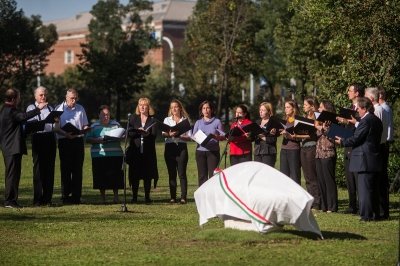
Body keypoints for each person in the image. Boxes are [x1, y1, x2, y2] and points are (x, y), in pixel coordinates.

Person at [336, 97, 382, 221]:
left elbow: (356, 138)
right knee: (373, 189)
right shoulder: (376, 120)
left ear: (364, 108)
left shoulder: (365, 121)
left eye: (359, 109)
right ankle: (375, 214)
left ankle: (366, 215)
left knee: (364, 190)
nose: (357, 112)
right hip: (374, 157)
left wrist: (342, 141)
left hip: (364, 159)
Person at [0, 88, 47, 208]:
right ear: (14, 98)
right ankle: (9, 201)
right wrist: (38, 109)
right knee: (12, 174)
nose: (20, 99)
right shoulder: (10, 110)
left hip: (10, 146)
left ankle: (12, 200)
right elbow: (23, 117)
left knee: (14, 174)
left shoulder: (5, 109)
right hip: (12, 147)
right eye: (19, 97)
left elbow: (19, 125)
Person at [55, 88, 89, 204]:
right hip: (64, 141)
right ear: (66, 98)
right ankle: (65, 195)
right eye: (71, 98)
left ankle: (76, 196)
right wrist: (65, 134)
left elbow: (85, 124)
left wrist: (84, 130)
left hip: (78, 141)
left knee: (77, 170)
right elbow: (56, 128)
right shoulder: (59, 109)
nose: (74, 101)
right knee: (65, 169)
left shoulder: (81, 109)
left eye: (75, 98)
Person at [86, 105, 124, 204]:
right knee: (101, 177)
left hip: (116, 154)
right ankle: (103, 198)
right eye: (103, 115)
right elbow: (88, 139)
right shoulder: (94, 126)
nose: (106, 117)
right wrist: (98, 140)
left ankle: (116, 197)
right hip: (99, 155)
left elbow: (123, 135)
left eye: (107, 115)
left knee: (116, 176)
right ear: (99, 115)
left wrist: (120, 136)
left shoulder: (116, 124)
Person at [26, 86, 57, 206]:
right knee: (38, 169)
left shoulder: (50, 107)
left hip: (50, 138)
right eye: (41, 95)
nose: (43, 97)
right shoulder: (31, 107)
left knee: (50, 169)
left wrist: (56, 121)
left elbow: (54, 125)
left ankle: (47, 199)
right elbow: (31, 124)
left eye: (44, 95)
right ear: (35, 96)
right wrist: (39, 110)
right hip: (38, 138)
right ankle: (37, 199)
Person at [126, 97, 158, 204]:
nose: (142, 107)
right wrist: (138, 132)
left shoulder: (152, 120)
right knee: (135, 175)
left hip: (148, 152)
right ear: (138, 107)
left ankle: (147, 197)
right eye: (140, 105)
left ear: (148, 107)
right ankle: (134, 197)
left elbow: (154, 135)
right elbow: (129, 133)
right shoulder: (133, 118)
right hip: (135, 150)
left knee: (147, 175)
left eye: (144, 105)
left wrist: (147, 134)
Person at [338, 83, 364, 214]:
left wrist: (347, 122)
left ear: (357, 93)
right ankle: (352, 205)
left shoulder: (362, 109)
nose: (348, 92)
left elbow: (360, 126)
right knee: (349, 176)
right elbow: (347, 128)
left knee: (356, 176)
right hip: (347, 143)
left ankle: (361, 205)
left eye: (350, 91)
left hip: (357, 145)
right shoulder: (349, 108)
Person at [365, 87, 390, 219]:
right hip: (379, 146)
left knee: (379, 181)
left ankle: (381, 211)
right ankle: (379, 210)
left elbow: (377, 130)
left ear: (371, 98)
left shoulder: (378, 110)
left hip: (379, 147)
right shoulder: (379, 109)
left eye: (366, 96)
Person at [162, 100, 191, 204]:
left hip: (182, 147)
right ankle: (173, 197)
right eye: (172, 107)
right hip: (170, 147)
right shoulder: (167, 120)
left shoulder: (185, 120)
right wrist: (169, 134)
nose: (174, 109)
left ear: (180, 108)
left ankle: (183, 197)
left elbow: (190, 137)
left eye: (176, 107)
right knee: (171, 173)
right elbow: (163, 133)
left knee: (182, 173)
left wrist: (181, 135)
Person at [192, 101, 225, 187]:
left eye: (208, 108)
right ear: (201, 110)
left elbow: (223, 137)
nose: (206, 110)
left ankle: (212, 196)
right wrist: (197, 138)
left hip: (213, 152)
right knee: (202, 176)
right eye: (204, 108)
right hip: (200, 152)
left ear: (211, 109)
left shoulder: (217, 122)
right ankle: (202, 196)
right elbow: (193, 137)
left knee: (213, 176)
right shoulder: (198, 122)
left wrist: (215, 137)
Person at [297, 96, 321, 210]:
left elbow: (314, 134)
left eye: (306, 105)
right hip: (303, 147)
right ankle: (311, 200)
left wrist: (297, 135)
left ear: (312, 106)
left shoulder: (317, 117)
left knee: (312, 176)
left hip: (312, 147)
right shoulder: (305, 117)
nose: (303, 106)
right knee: (307, 176)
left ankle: (317, 202)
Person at [315, 100, 338, 212]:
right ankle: (324, 206)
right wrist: (319, 127)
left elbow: (333, 136)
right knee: (321, 180)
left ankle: (332, 206)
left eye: (320, 107)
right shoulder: (320, 121)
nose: (319, 109)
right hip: (319, 153)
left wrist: (323, 128)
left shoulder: (333, 121)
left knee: (329, 180)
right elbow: (317, 134)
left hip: (328, 152)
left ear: (326, 109)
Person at [378, 87, 393, 219]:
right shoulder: (384, 108)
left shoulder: (384, 109)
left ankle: (383, 210)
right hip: (383, 144)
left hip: (383, 145)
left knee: (382, 178)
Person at [280, 99, 301, 184]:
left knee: (295, 175)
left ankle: (297, 196)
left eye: (288, 107)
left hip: (294, 150)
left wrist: (289, 135)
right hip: (284, 149)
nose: (286, 109)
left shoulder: (297, 121)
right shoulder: (285, 120)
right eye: (285, 107)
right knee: (284, 175)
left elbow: (300, 138)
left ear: (293, 108)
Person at [253, 102, 277, 167]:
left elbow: (273, 139)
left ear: (269, 112)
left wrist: (261, 136)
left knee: (267, 174)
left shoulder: (273, 122)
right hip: (257, 151)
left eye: (263, 110)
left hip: (268, 152)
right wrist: (250, 135)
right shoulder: (257, 122)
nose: (260, 112)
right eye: (260, 110)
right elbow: (253, 138)